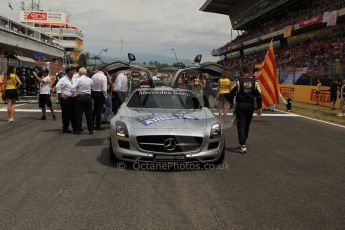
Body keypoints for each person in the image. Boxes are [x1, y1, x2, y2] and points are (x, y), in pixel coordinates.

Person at [228, 66, 263, 154]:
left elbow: (230, 93)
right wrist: (259, 107)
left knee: (241, 125)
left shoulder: (238, 81)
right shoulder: (255, 82)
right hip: (250, 106)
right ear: (249, 72)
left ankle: (242, 145)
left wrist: (231, 103)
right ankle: (243, 142)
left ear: (242, 72)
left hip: (240, 105)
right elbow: (259, 95)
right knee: (247, 125)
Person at [72, 67, 94, 135]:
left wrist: (76, 93)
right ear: (86, 73)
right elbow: (92, 88)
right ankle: (90, 130)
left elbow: (72, 87)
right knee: (89, 114)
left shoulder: (78, 80)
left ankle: (79, 130)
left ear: (79, 73)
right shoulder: (90, 80)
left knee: (79, 114)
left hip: (80, 97)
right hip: (88, 97)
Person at [55, 68, 75, 133]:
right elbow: (57, 87)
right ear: (67, 72)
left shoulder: (72, 78)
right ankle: (65, 128)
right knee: (66, 114)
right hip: (65, 99)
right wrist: (61, 95)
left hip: (72, 98)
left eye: (73, 72)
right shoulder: (63, 79)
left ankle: (74, 127)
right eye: (71, 72)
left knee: (72, 113)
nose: (73, 73)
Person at [91, 66, 108, 130]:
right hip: (100, 94)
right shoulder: (104, 77)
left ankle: (91, 124)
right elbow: (104, 89)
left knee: (95, 110)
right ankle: (98, 125)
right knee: (99, 110)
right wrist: (105, 96)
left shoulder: (93, 76)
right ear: (104, 70)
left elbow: (91, 85)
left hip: (94, 93)